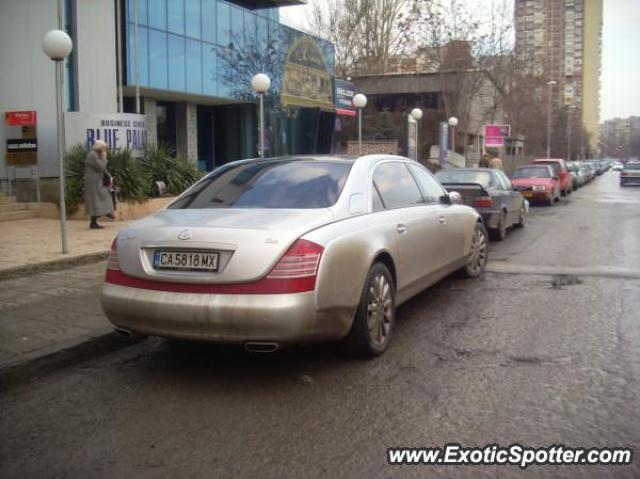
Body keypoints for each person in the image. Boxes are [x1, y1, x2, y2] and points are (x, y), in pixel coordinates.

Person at [84, 140, 114, 229]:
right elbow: (101, 167)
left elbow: (103, 169)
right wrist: (104, 158)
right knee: (95, 200)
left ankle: (106, 213)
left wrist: (109, 176)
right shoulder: (93, 155)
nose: (105, 149)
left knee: (103, 196)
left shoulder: (96, 154)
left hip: (97, 180)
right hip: (93, 181)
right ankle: (98, 218)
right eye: (104, 148)